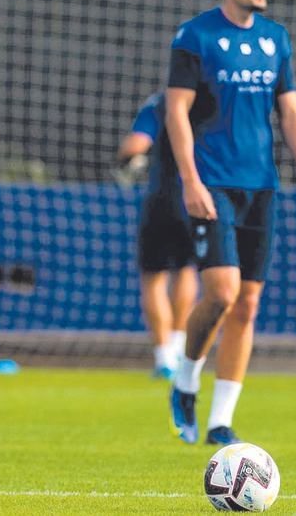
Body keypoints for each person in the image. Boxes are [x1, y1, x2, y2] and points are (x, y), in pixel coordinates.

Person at [165, 0, 296, 446]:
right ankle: (186, 379)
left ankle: (220, 423)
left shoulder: (276, 38)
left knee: (248, 305)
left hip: (262, 186)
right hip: (212, 183)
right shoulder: (196, 35)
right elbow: (176, 113)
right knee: (223, 293)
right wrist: (190, 180)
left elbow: (292, 112)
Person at [117, 93, 198, 378]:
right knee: (186, 271)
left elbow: (137, 144)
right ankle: (179, 347)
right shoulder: (210, 101)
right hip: (199, 199)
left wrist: (126, 158)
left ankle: (164, 358)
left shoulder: (159, 103)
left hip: (163, 199)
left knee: (154, 278)